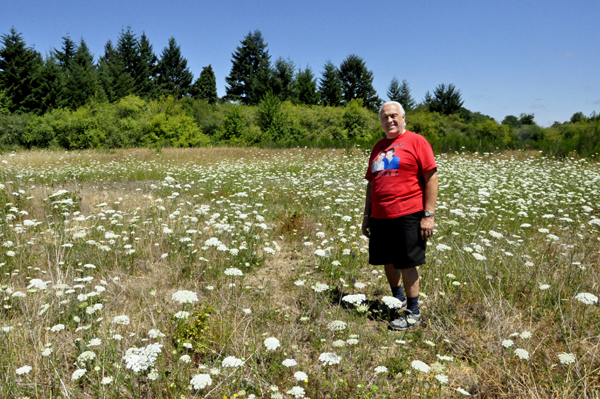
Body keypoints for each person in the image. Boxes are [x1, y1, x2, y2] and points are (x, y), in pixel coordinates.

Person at [362, 101, 438, 331]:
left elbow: (431, 178)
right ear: (381, 122)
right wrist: (367, 215)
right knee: (387, 260)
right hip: (380, 215)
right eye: (385, 117)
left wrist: (429, 215)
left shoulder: (417, 141)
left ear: (403, 117)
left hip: (408, 213)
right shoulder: (378, 147)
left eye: (394, 116)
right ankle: (398, 300)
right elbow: (371, 184)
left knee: (407, 263)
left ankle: (413, 312)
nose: (390, 120)